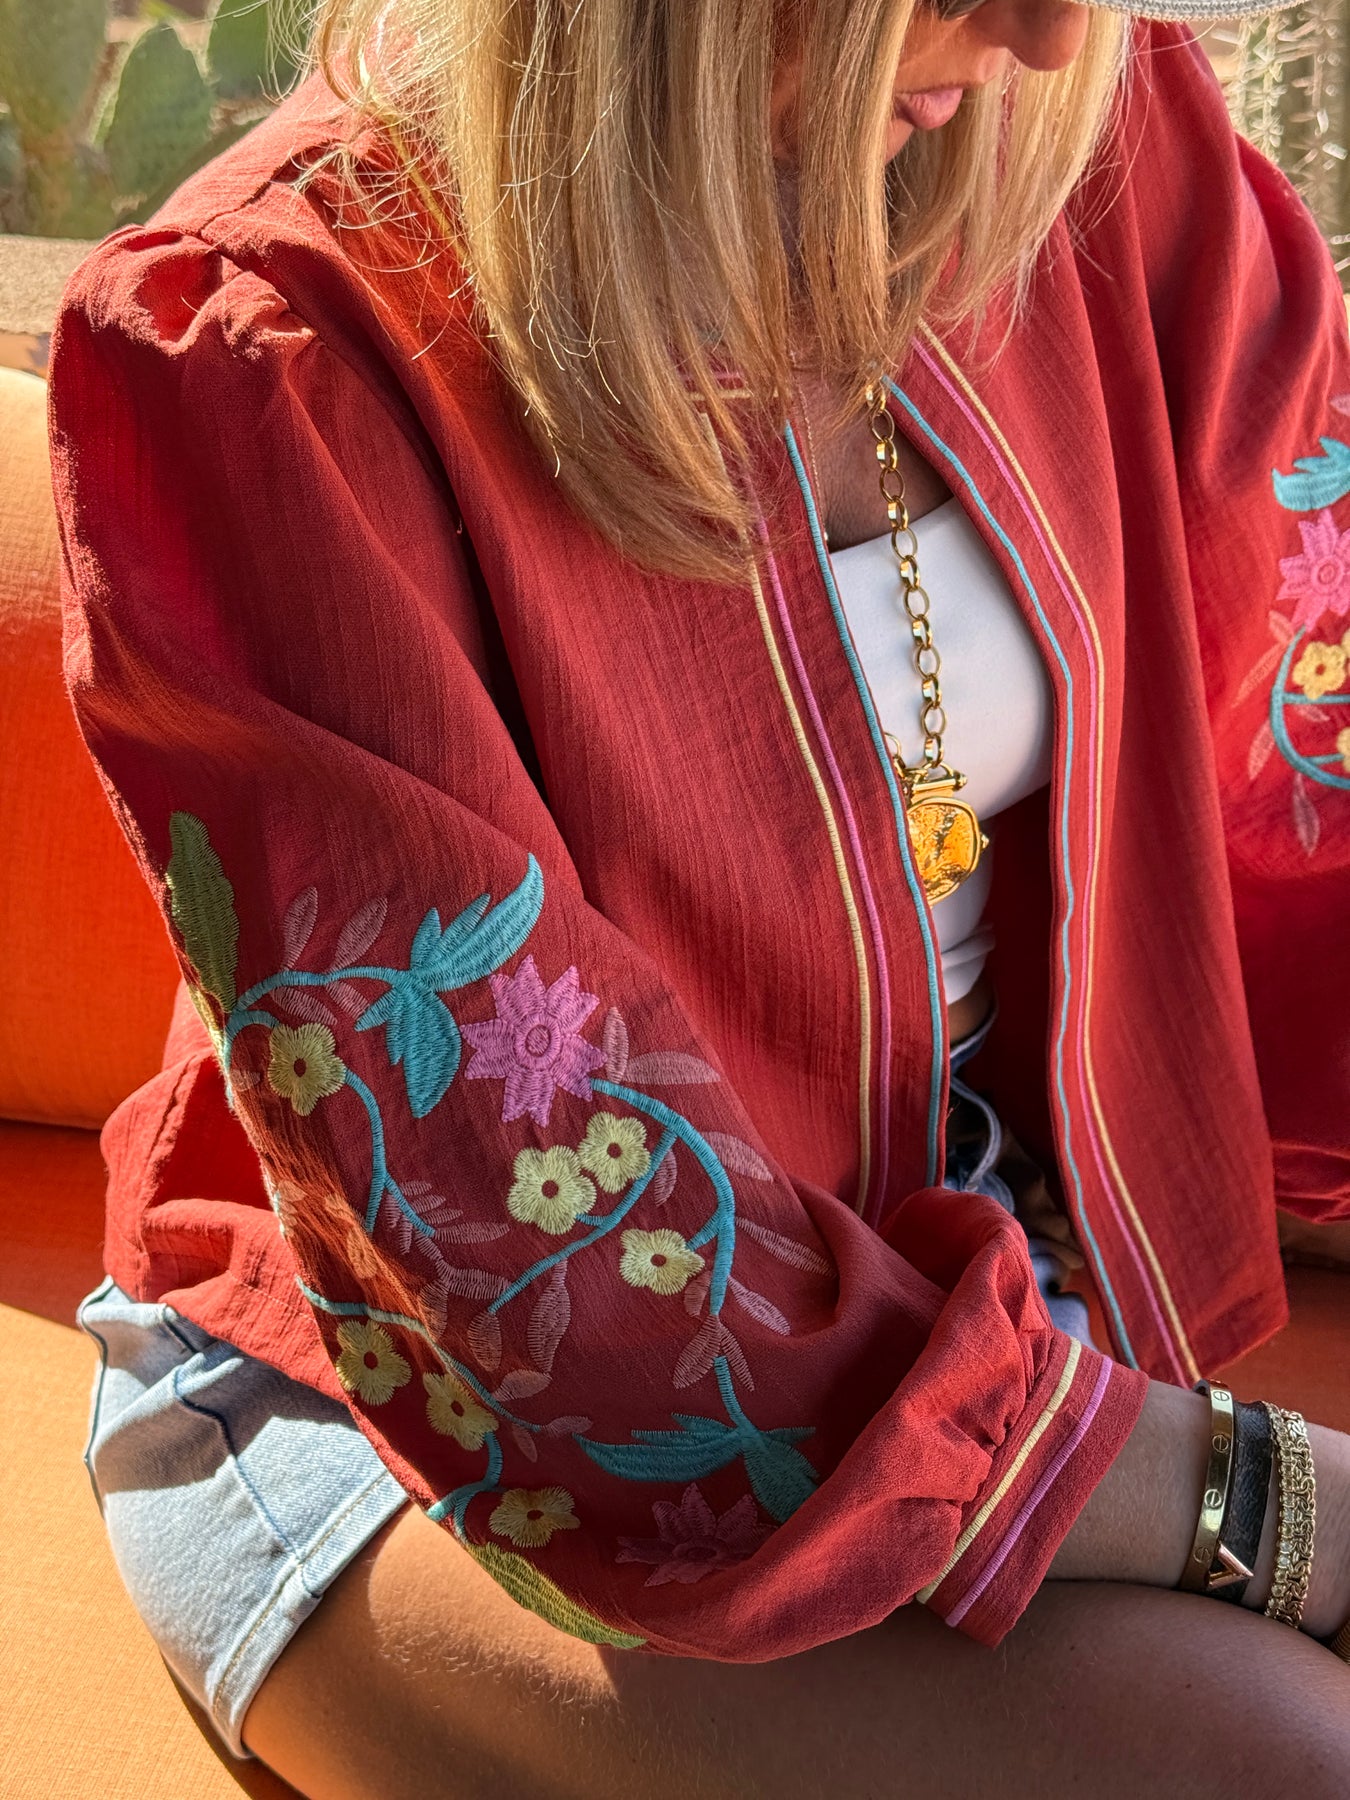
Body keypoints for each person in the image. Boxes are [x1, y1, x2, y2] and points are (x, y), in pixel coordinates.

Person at [48, 0, 1350, 1791]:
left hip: (993, 1284)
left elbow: (1305, 801)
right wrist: (1273, 1501)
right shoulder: (278, 347)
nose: (1051, 36)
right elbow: (552, 1259)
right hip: (424, 1401)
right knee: (1273, 1764)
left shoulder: (1114, 167)